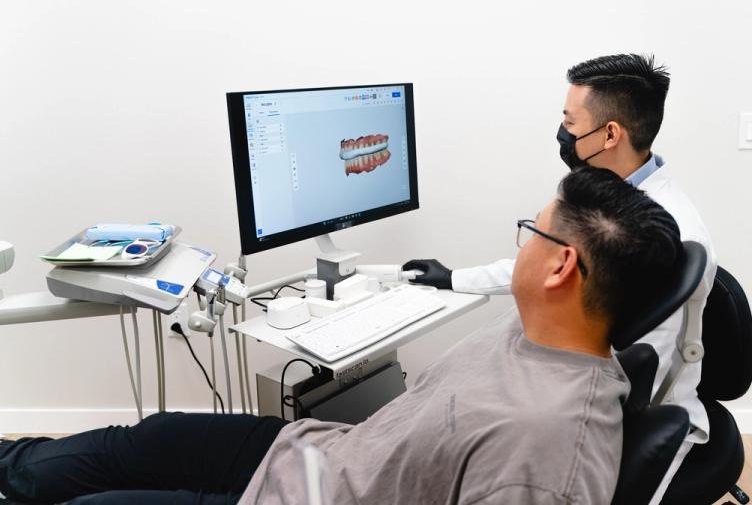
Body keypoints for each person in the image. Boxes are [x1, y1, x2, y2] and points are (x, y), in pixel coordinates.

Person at [0, 168, 682, 505]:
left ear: (560, 268)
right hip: (318, 454)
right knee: (146, 440)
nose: (520, 245)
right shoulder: (543, 331)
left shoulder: (545, 449)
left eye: (530, 233)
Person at [404, 53, 717, 504]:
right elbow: (549, 255)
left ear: (610, 134)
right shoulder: (607, 195)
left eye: (571, 123)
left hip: (626, 414)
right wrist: (454, 277)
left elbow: (646, 366)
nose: (563, 133)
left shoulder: (668, 236)